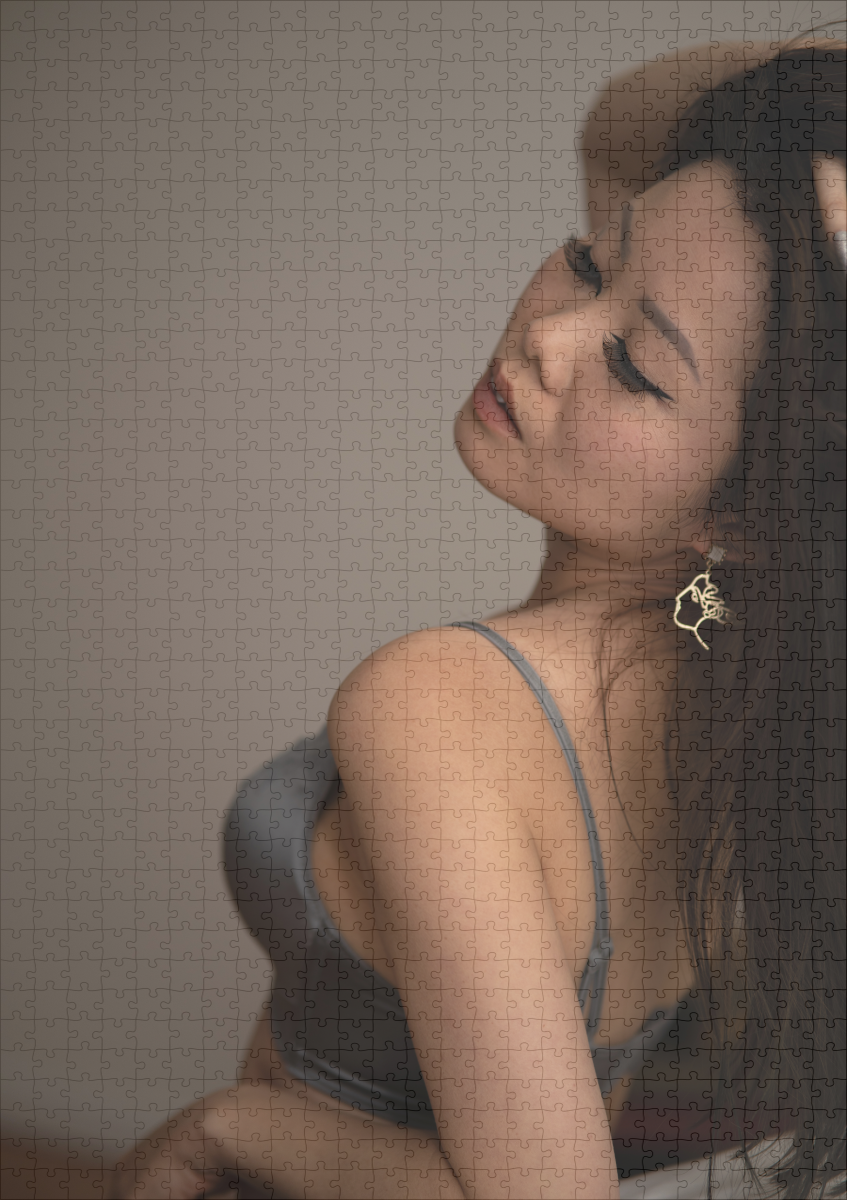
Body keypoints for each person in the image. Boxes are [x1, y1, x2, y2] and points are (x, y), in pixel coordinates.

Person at [118, 36, 846, 1200]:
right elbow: (631, 120)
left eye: (635, 367)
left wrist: (228, 1129)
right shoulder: (727, 688)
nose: (546, 339)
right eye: (585, 261)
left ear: (753, 512)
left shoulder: (440, 703)